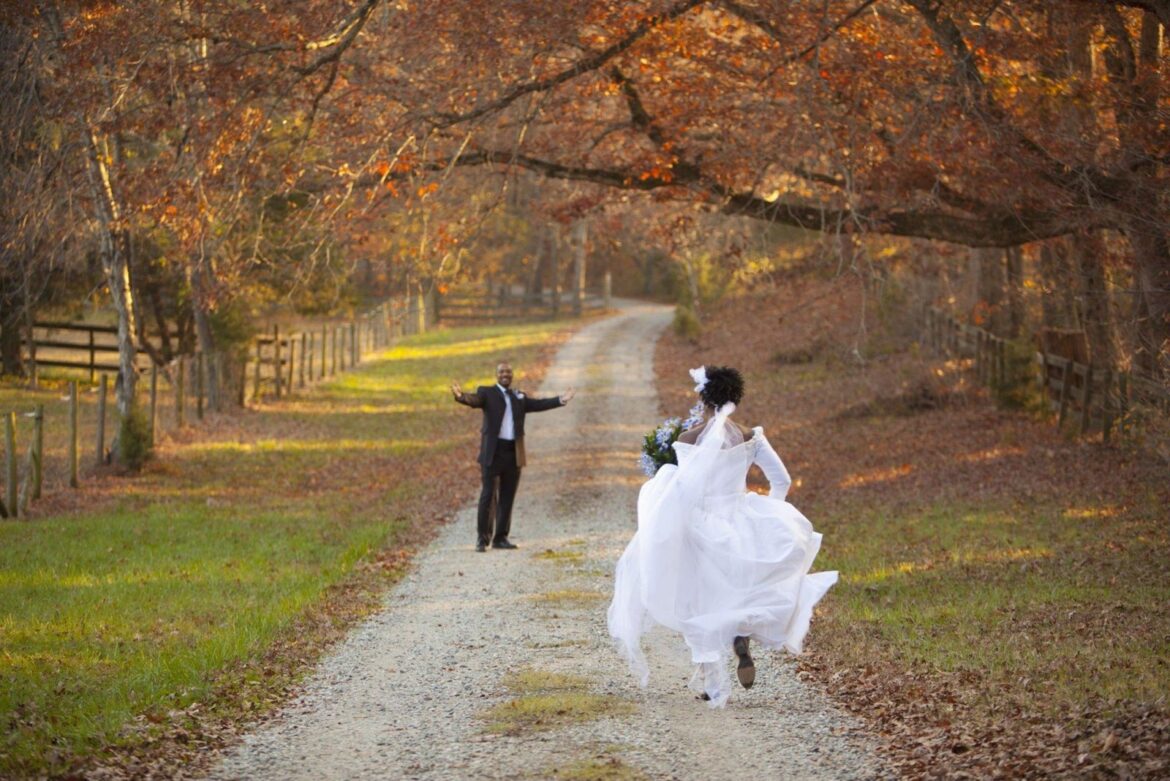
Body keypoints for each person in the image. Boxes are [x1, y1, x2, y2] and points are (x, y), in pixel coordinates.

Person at [607, 365, 837, 706]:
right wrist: (767, 513)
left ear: (703, 397)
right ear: (735, 398)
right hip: (739, 519)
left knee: (696, 601)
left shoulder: (686, 441)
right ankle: (740, 634)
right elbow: (782, 480)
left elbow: (686, 491)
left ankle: (713, 684)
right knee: (739, 591)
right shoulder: (751, 437)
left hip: (700, 525)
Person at [451, 362, 575, 552]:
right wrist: (461, 397)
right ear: (496, 375)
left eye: (508, 371)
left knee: (507, 497)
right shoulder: (487, 393)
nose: (505, 374)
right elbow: (474, 400)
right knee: (488, 495)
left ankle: (501, 538)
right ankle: (482, 539)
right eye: (501, 371)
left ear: (512, 375)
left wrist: (561, 399)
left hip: (513, 453)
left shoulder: (519, 397)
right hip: (492, 453)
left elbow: (538, 404)